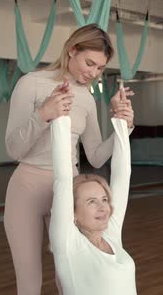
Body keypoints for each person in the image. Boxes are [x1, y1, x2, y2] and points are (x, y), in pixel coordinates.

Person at [4, 24, 134, 294]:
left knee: (70, 278)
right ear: (72, 50)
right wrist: (43, 114)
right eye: (89, 63)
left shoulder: (86, 99)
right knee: (29, 281)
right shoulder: (31, 83)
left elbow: (96, 157)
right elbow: (13, 149)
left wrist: (123, 125)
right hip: (26, 188)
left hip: (70, 192)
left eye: (99, 68)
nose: (93, 73)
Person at [49, 112, 135, 295]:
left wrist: (122, 122)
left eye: (104, 200)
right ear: (73, 212)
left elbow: (122, 176)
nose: (103, 207)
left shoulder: (110, 235)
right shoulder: (69, 245)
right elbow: (63, 180)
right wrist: (60, 118)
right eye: (91, 202)